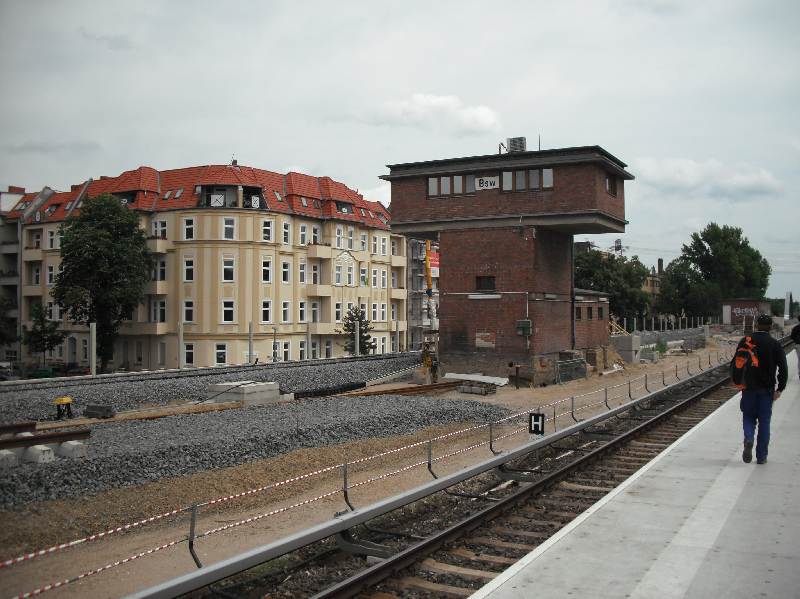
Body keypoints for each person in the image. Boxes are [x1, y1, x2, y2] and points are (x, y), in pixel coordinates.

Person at [734, 313, 788, 464]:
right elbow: (783, 368)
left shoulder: (746, 341)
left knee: (748, 416)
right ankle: (761, 457)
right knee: (764, 421)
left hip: (749, 388)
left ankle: (749, 437)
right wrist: (780, 388)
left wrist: (739, 382)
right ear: (770, 327)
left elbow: (736, 364)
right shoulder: (774, 344)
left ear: (756, 325)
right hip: (767, 390)